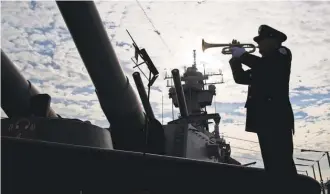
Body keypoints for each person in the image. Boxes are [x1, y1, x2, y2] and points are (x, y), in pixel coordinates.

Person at [228, 25, 297, 191]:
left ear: (273, 41)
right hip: (263, 119)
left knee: (283, 165)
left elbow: (267, 67)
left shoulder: (282, 54)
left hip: (277, 119)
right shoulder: (261, 65)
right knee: (272, 166)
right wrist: (236, 59)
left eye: (261, 41)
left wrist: (242, 54)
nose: (258, 45)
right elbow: (241, 78)